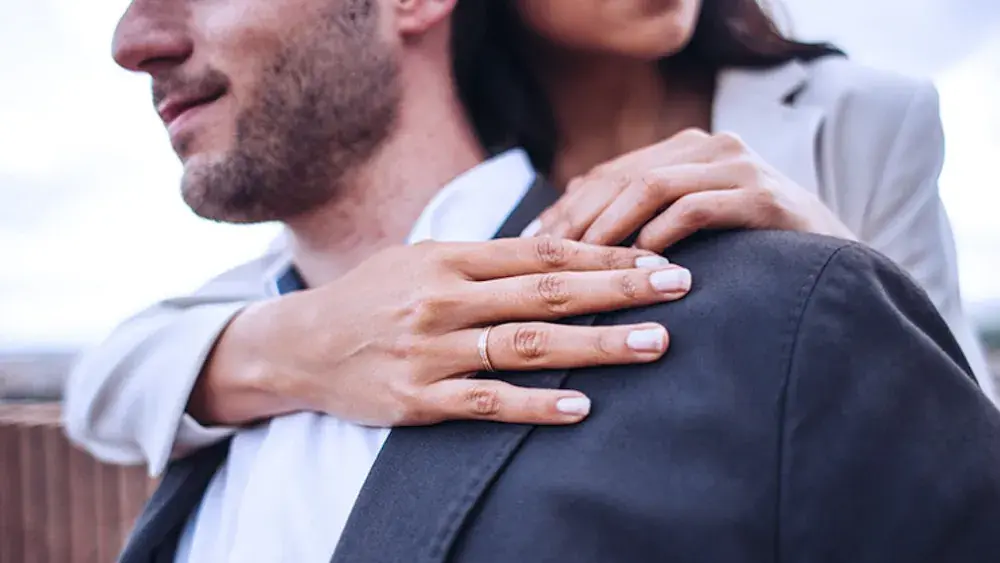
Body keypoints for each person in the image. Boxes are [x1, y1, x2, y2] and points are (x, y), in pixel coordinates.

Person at [94, 0, 1000, 561]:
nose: (131, 39)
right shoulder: (259, 332)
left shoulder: (822, 187)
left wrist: (841, 281)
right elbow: (117, 374)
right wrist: (303, 341)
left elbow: (942, 446)